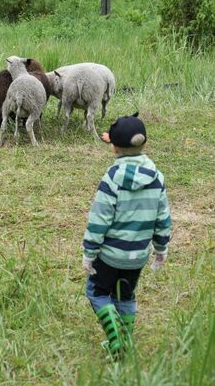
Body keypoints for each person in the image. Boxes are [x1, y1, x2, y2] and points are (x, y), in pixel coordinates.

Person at [81, 113, 171, 358]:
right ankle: (125, 342)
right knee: (126, 296)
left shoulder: (112, 178)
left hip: (110, 255)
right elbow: (163, 218)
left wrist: (89, 253)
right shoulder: (157, 178)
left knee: (97, 293)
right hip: (138, 256)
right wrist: (161, 249)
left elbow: (99, 219)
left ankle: (116, 339)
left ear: (114, 147)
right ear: (145, 144)